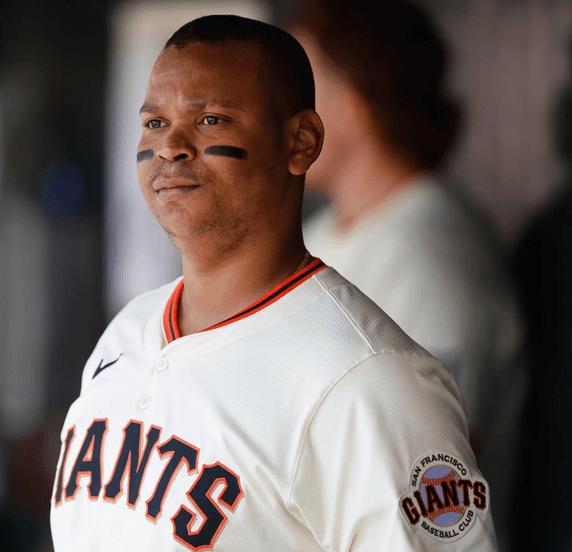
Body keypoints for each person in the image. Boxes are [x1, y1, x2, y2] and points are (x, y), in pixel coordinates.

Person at [50, 15, 498, 551]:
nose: (170, 147)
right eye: (154, 123)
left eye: (211, 120)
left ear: (301, 141)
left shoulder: (369, 383)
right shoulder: (125, 334)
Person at [285, 1, 526, 545]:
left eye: (300, 83)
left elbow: (424, 479)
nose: (276, 110)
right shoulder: (319, 238)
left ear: (356, 101)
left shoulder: (430, 256)